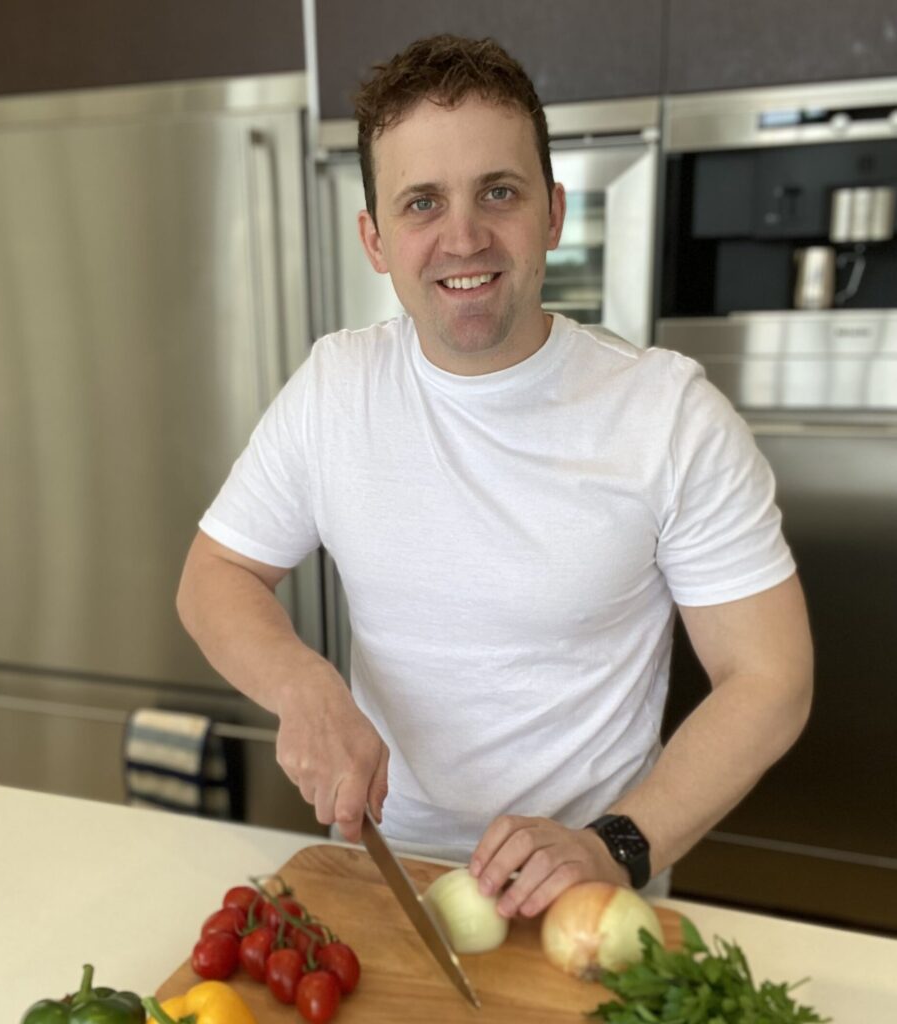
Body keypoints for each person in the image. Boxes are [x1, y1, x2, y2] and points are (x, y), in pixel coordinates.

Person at [176, 34, 813, 919]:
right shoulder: (335, 388)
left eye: (498, 193)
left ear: (551, 213)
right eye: (422, 203)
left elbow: (770, 676)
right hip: (385, 873)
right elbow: (215, 576)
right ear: (375, 239)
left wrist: (613, 846)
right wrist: (304, 686)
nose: (463, 237)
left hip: (586, 891)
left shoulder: (669, 414)